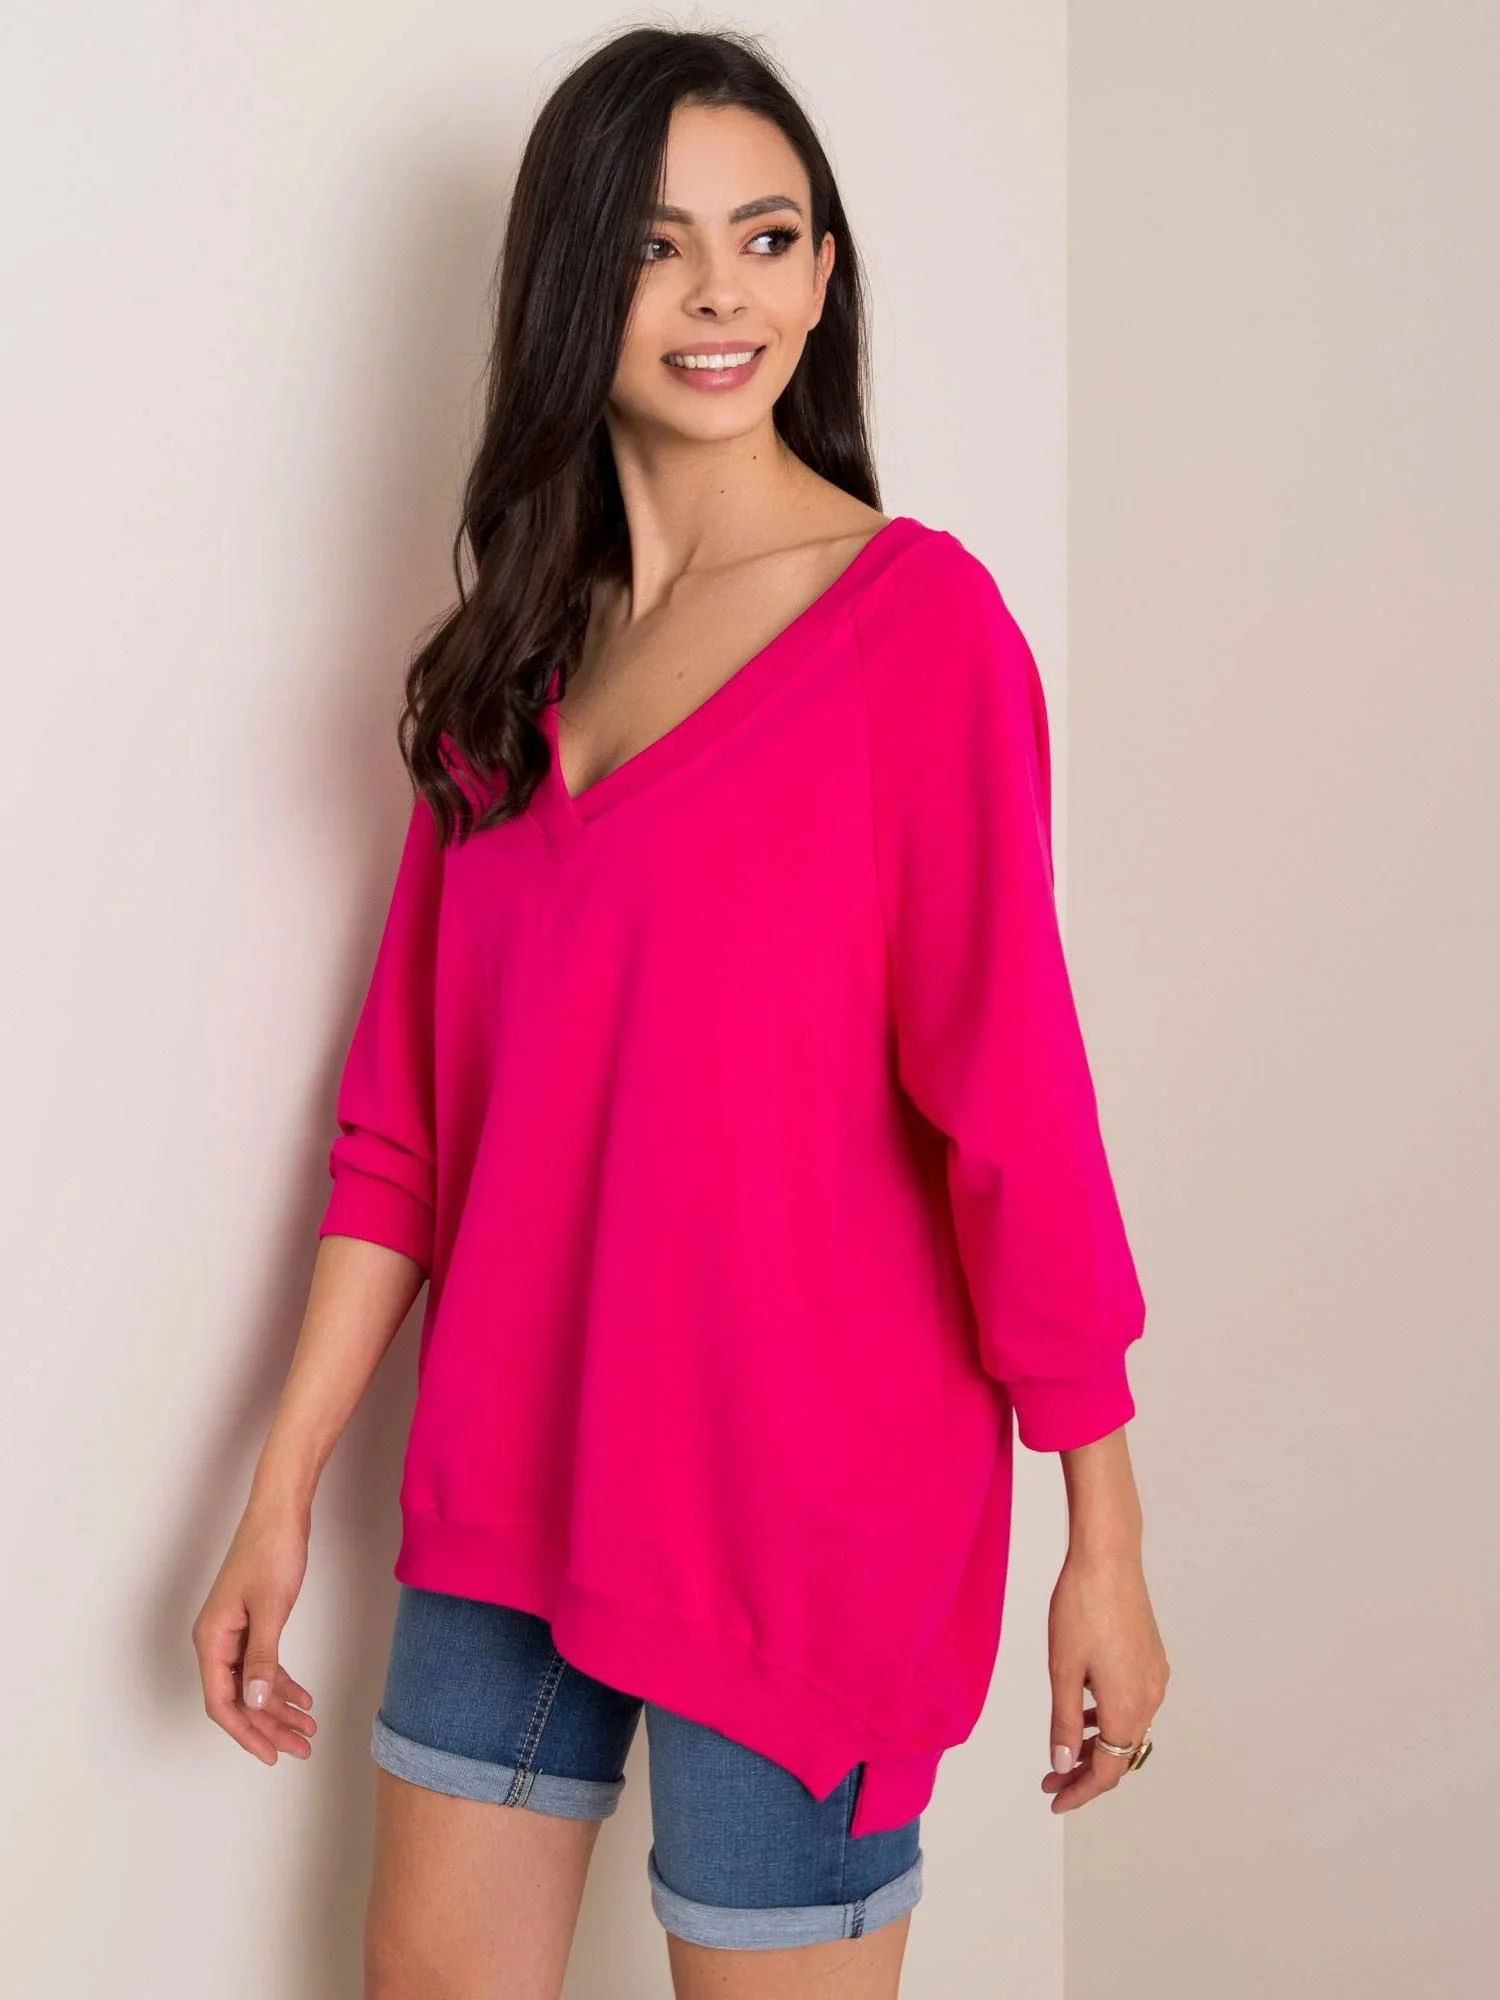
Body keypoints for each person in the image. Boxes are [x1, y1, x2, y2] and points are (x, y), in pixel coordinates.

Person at [192, 24, 1169, 2000]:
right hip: (511, 1494)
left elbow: (1017, 1106)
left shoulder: (919, 635)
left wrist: (1108, 1539)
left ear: (824, 274)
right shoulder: (506, 671)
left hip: (804, 1524)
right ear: (575, 281)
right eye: (657, 244)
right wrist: (279, 1489)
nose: (723, 291)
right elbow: (403, 1135)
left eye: (768, 235)